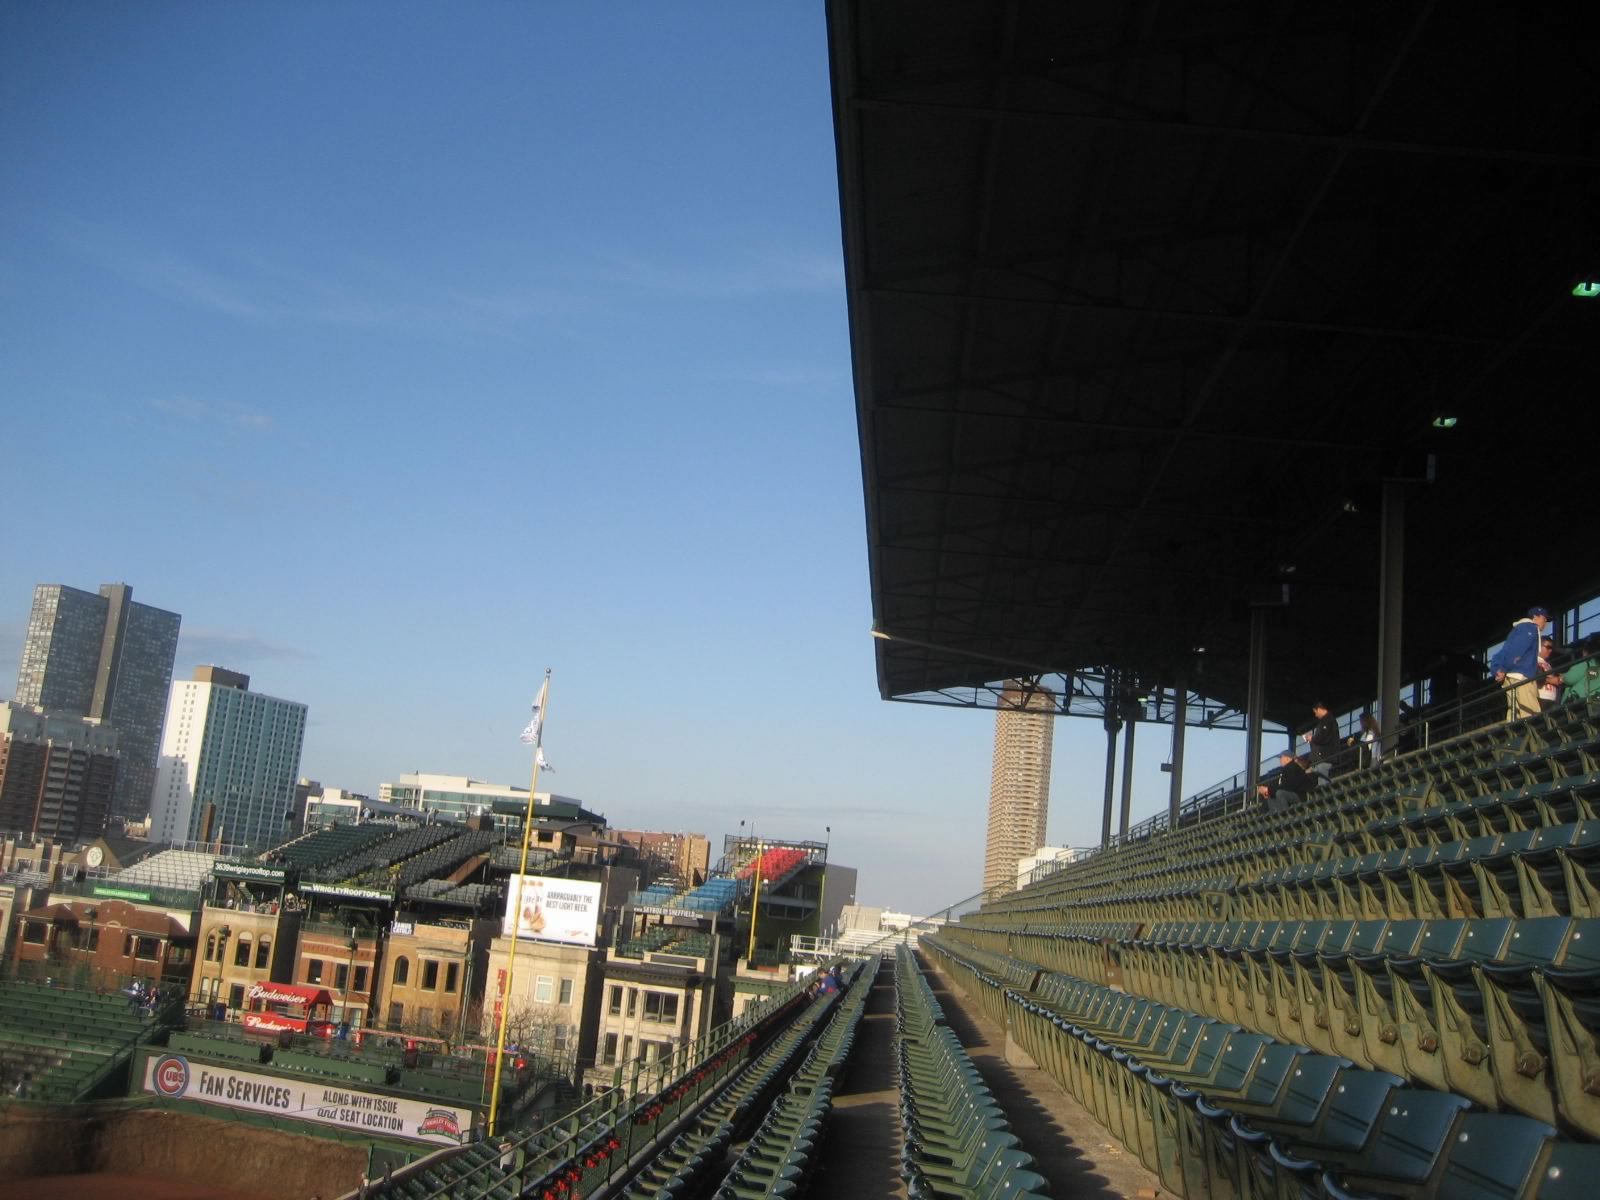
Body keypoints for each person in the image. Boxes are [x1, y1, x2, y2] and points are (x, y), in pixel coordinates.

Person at [1489, 606, 1551, 721]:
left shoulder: (1518, 630)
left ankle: (1515, 738)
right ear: (1535, 617)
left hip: (1512, 677)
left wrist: (1497, 669)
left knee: (1514, 715)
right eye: (1544, 618)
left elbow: (1503, 653)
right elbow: (1517, 651)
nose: (1546, 622)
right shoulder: (1530, 628)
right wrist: (1503, 669)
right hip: (1521, 677)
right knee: (1531, 713)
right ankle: (1534, 738)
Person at [1301, 702, 1341, 781]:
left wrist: (1312, 738)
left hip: (1325, 758)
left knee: (1322, 782)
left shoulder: (1328, 720)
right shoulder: (1324, 721)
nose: (1315, 715)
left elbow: (1324, 738)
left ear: (1319, 709)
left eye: (1315, 712)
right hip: (1319, 759)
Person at [1538, 637, 1563, 711]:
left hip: (1552, 699)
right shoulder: (1533, 660)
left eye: (1551, 648)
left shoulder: (1548, 664)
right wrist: (1550, 680)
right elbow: (1533, 679)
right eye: (1548, 647)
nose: (1550, 650)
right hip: (1540, 698)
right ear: (1539, 646)